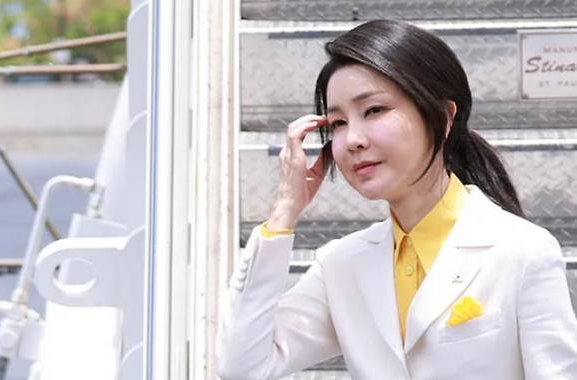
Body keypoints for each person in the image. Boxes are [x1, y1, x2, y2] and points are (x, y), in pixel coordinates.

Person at [217, 20, 577, 379]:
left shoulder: (521, 250)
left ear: (442, 116)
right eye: (337, 123)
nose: (352, 139)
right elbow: (241, 368)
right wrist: (284, 212)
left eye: (373, 110)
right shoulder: (342, 265)